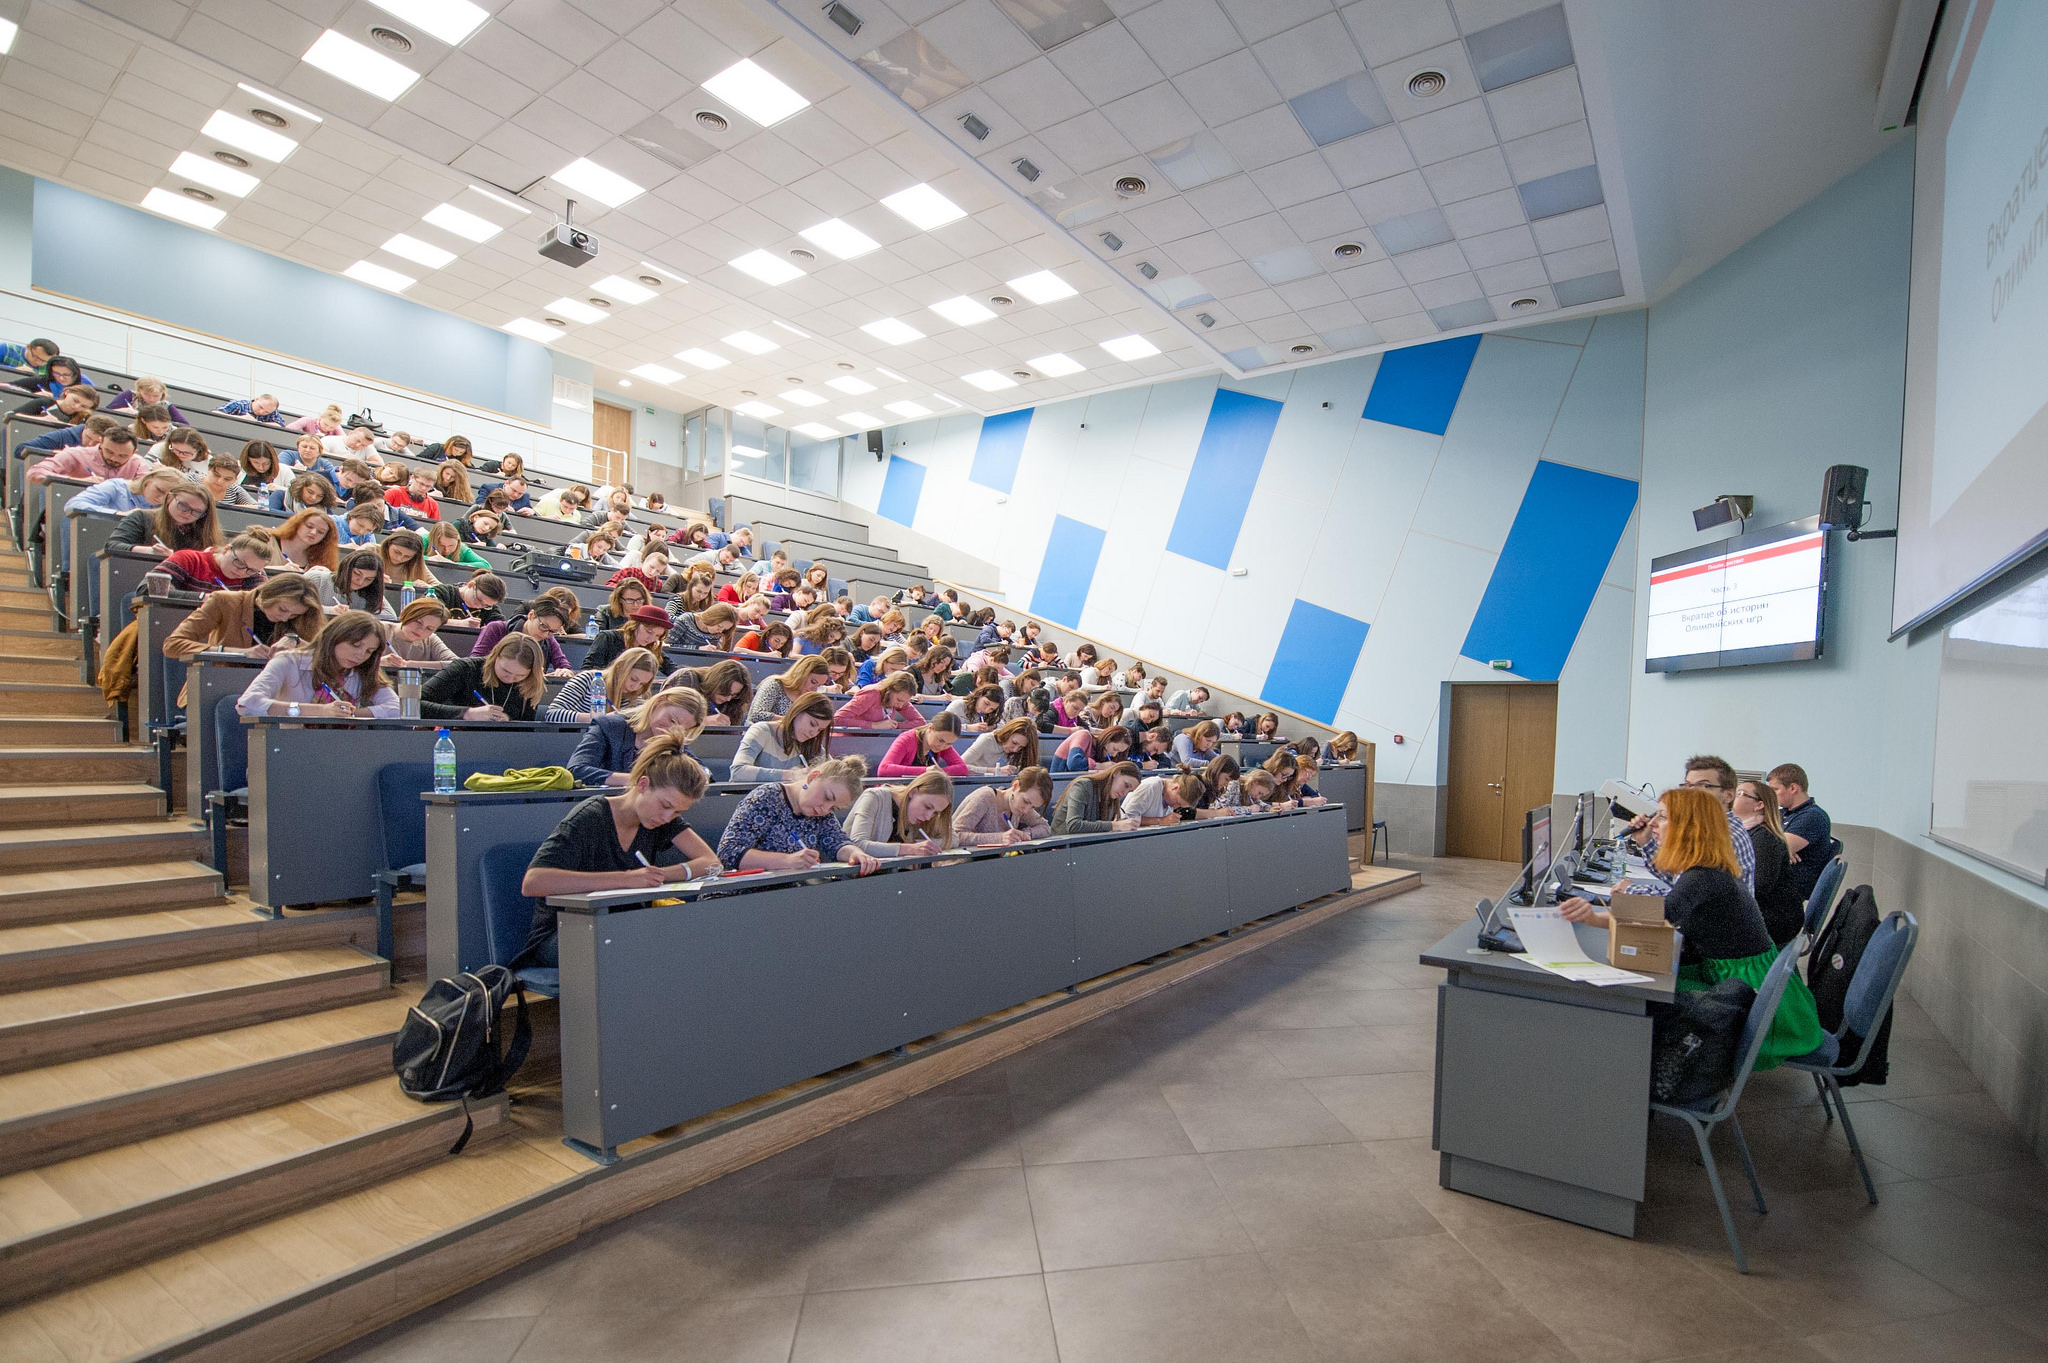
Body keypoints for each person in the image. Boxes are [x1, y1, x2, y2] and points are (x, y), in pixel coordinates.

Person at [1562, 788, 1826, 1069]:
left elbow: (1660, 916)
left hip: (1744, 984)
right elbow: (1665, 909)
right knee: (1651, 982)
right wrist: (1598, 914)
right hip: (1730, 971)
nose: (1653, 824)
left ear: (1690, 828)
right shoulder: (1705, 868)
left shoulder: (1702, 876)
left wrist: (1593, 918)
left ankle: (1634, 1071)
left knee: (1641, 995)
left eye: (1663, 817)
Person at [517, 736, 723, 967]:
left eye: (677, 812)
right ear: (643, 785)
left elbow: (711, 863)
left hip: (624, 928)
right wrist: (626, 879)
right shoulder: (590, 816)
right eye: (665, 806)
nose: (667, 817)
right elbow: (534, 882)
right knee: (644, 955)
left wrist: (660, 875)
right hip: (566, 933)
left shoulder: (661, 819)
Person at [715, 758, 882, 874]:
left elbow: (837, 842)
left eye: (834, 808)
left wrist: (855, 853)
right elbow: (729, 852)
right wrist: (787, 861)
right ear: (812, 777)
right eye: (827, 797)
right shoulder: (767, 796)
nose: (825, 809)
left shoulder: (821, 814)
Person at [1626, 755, 1757, 895]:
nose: (1691, 792)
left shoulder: (1725, 835)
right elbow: (1678, 880)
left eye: (1704, 786)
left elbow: (1689, 896)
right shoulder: (1702, 828)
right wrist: (1645, 842)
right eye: (1688, 785)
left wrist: (1629, 890)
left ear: (1728, 796)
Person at [235, 611, 399, 718]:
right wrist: (320, 711)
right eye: (355, 645)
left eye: (369, 651)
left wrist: (349, 713)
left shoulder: (362, 670)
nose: (361, 655)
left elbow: (397, 707)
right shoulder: (288, 661)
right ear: (334, 638)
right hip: (288, 744)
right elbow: (248, 704)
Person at [162, 572, 324, 663]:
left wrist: (298, 641)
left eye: (294, 615)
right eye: (282, 609)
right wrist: (239, 653)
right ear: (269, 594)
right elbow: (173, 644)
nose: (285, 618)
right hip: (220, 684)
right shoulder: (224, 601)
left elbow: (324, 656)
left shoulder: (303, 620)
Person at [567, 686, 709, 787]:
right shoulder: (610, 726)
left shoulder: (673, 741)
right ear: (659, 701)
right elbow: (577, 770)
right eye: (672, 720)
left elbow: (703, 773)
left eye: (682, 729)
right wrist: (639, 780)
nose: (672, 730)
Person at [1736, 779, 1805, 947]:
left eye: (1740, 794)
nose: (1732, 797)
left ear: (1759, 805)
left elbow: (1757, 887)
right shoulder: (1746, 833)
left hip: (1775, 918)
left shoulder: (1765, 838)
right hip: (1760, 909)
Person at [419, 633, 546, 721]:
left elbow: (527, 727)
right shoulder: (465, 668)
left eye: (520, 675)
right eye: (505, 670)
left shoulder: (530, 682)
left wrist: (508, 721)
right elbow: (415, 705)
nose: (510, 678)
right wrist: (467, 713)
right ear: (495, 657)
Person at [1767, 763, 1839, 902]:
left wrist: (1781, 847)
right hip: (1777, 884)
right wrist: (1781, 847)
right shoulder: (1783, 813)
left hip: (1786, 894)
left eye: (1775, 789)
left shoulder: (1812, 816)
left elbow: (1773, 852)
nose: (1771, 795)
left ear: (1793, 788)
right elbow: (1770, 844)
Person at [844, 769, 955, 857]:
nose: (928, 817)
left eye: (936, 813)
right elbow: (857, 844)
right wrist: (910, 848)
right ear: (913, 792)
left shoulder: (923, 811)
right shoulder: (874, 797)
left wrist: (925, 846)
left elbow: (953, 839)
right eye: (927, 807)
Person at [728, 690, 834, 781]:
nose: (814, 733)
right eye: (812, 724)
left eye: (820, 730)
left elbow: (836, 773)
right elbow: (738, 772)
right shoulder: (761, 731)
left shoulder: (811, 744)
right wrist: (791, 775)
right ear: (797, 712)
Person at [545, 646, 660, 723]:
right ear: (620, 667)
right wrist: (599, 719)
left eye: (642, 684)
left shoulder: (636, 696)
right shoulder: (587, 679)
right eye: (633, 679)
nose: (635, 687)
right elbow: (552, 714)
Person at [107, 478, 220, 555]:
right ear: (170, 498)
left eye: (197, 511)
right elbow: (112, 546)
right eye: (183, 506)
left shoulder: (204, 533)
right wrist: (149, 551)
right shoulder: (142, 517)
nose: (187, 513)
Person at [471, 599, 573, 676]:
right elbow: (475, 663)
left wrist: (565, 671)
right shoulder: (497, 628)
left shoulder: (549, 639)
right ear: (531, 615)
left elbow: (564, 665)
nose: (545, 634)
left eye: (552, 631)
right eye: (543, 626)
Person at [954, 767, 1053, 846]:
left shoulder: (1020, 805)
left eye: (1033, 807)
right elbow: (955, 835)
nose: (1026, 810)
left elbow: (1045, 827)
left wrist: (1026, 834)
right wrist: (1000, 838)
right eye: (1026, 801)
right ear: (1015, 786)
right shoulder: (985, 797)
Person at [162, 528, 276, 593]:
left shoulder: (254, 572)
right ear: (227, 549)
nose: (242, 572)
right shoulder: (188, 559)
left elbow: (262, 603)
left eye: (251, 570)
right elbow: (154, 588)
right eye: (239, 563)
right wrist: (202, 598)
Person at [26, 425, 145, 484]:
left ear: (133, 453)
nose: (114, 458)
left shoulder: (138, 463)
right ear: (101, 444)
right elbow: (35, 472)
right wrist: (78, 482)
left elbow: (147, 487)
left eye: (122, 456)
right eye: (109, 452)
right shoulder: (77, 454)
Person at [1050, 762, 1143, 835]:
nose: (1124, 793)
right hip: (1062, 848)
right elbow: (1073, 825)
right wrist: (1114, 825)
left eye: (1129, 791)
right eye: (1126, 785)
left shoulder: (1111, 798)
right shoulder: (1082, 786)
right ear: (1116, 773)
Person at [68, 466, 184, 520]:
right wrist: (118, 514)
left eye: (168, 497)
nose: (161, 499)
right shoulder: (116, 487)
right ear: (148, 481)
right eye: (159, 490)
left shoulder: (168, 508)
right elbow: (73, 504)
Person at [663, 657, 753, 725]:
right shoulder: (688, 678)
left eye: (734, 695)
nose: (728, 699)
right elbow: (668, 720)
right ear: (714, 682)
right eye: (725, 692)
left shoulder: (733, 703)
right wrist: (704, 721)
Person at [878, 712, 970, 777]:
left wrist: (938, 772)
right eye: (940, 740)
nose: (942, 747)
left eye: (949, 743)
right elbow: (884, 769)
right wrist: (926, 771)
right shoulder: (907, 739)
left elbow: (962, 768)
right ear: (931, 728)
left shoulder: (945, 742)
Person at [584, 605, 672, 673]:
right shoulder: (608, 638)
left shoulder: (652, 647)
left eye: (657, 636)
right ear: (635, 625)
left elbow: (671, 668)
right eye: (648, 631)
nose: (651, 638)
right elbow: (588, 669)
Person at [309, 548, 393, 618]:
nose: (360, 582)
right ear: (346, 567)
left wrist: (353, 614)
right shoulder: (317, 578)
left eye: (368, 579)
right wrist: (330, 610)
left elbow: (390, 615)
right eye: (357, 573)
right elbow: (301, 605)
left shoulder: (371, 590)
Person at [745, 655, 828, 723]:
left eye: (819, 686)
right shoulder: (774, 685)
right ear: (802, 674)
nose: (814, 689)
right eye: (813, 682)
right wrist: (792, 721)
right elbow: (756, 715)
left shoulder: (809, 699)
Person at [379, 598, 457, 669]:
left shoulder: (430, 640)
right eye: (418, 622)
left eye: (429, 628)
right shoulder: (378, 629)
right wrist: (379, 662)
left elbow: (457, 664)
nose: (420, 630)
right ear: (408, 614)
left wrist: (408, 664)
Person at [834, 672, 922, 730]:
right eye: (899, 700)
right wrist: (874, 725)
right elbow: (837, 719)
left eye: (905, 702)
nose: (900, 706)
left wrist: (895, 725)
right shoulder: (871, 693)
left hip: (874, 743)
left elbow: (920, 723)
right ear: (889, 690)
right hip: (851, 740)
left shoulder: (902, 697)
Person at [960, 716, 1040, 775]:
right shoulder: (987, 740)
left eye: (1021, 747)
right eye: (1014, 743)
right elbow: (959, 766)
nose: (1015, 750)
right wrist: (994, 771)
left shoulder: (1021, 752)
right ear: (1007, 733)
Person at [1121, 771, 1207, 826]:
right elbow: (1126, 818)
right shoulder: (1151, 786)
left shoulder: (1168, 796)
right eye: (1177, 803)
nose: (1175, 807)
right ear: (1176, 788)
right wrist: (1160, 821)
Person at [426, 569, 506, 626]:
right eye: (478, 600)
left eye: (486, 606)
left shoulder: (490, 608)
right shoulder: (442, 592)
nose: (479, 606)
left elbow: (501, 627)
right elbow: (426, 617)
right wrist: (459, 623)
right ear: (471, 585)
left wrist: (489, 630)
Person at [1053, 722, 1132, 773]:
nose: (1114, 754)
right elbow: (1074, 764)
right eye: (1114, 749)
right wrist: (1101, 766)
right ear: (1107, 739)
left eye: (1118, 752)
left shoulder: (1099, 753)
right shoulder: (1083, 735)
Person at [667, 602, 739, 653]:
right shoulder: (686, 620)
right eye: (719, 626)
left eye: (724, 629)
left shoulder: (719, 633)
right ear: (713, 618)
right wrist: (698, 648)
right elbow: (667, 646)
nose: (720, 631)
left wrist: (717, 652)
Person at [424, 519, 489, 569]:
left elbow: (486, 565)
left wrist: (453, 564)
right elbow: (416, 556)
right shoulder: (423, 540)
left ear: (458, 542)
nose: (446, 550)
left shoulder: (462, 548)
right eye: (441, 545)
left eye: (451, 545)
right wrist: (429, 559)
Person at [216, 393, 287, 427]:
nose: (261, 412)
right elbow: (215, 413)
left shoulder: (272, 411)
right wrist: (241, 418)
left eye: (266, 412)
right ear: (256, 399)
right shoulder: (239, 404)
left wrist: (257, 423)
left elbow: (280, 426)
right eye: (260, 407)